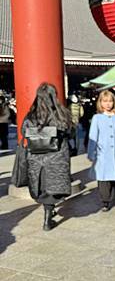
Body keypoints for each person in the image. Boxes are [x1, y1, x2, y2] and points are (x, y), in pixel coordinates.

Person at [22, 83, 73, 231]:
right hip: (56, 156)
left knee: (42, 186)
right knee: (53, 187)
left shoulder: (31, 115)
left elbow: (23, 130)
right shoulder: (61, 114)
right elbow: (70, 131)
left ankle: (48, 214)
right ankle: (47, 219)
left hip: (37, 157)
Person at [88, 90, 115, 212]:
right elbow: (93, 136)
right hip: (103, 153)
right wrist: (91, 152)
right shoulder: (97, 118)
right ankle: (105, 200)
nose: (108, 104)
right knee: (103, 178)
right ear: (100, 103)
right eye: (105, 101)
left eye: (110, 101)